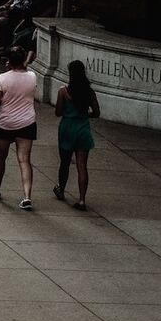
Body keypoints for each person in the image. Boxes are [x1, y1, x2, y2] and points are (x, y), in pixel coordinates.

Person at [0, 47, 38, 210]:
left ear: (9, 61)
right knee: (24, 160)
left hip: (5, 123)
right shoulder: (32, 77)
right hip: (27, 122)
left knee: (0, 157)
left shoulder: (2, 79)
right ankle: (27, 196)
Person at [53, 59, 100, 210]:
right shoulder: (89, 92)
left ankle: (61, 189)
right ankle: (82, 200)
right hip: (83, 129)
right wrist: (85, 115)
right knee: (82, 166)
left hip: (67, 128)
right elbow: (97, 113)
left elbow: (58, 112)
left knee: (64, 163)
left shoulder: (63, 91)